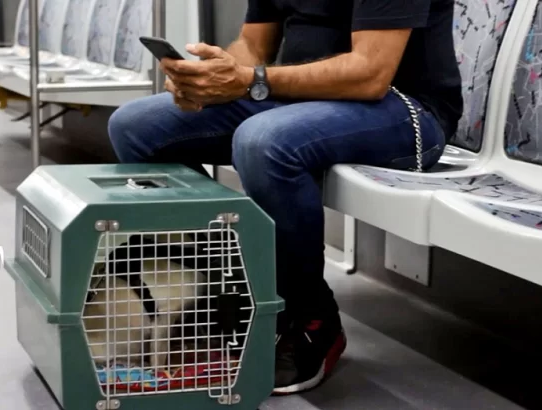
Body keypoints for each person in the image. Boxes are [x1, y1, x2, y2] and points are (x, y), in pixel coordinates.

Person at [108, 0, 462, 395]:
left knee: (264, 141)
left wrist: (248, 79)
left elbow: (370, 73)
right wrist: (210, 80)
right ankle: (235, 290)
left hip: (404, 109)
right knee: (135, 127)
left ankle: (311, 315)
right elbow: (252, 44)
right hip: (300, 97)